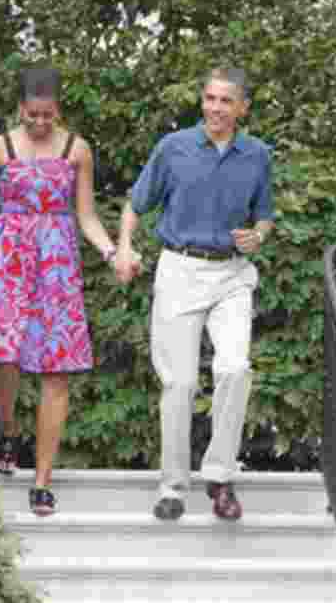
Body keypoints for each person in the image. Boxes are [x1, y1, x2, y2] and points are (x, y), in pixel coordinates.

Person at [0, 66, 124, 516]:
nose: (40, 123)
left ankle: (42, 479)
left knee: (55, 369)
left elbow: (87, 216)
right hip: (5, 259)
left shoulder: (76, 149)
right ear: (20, 108)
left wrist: (110, 251)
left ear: (58, 109)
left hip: (56, 265)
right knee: (3, 355)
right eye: (32, 115)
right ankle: (8, 428)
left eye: (48, 114)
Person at [113, 67, 275, 521]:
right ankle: (172, 487)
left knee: (235, 367)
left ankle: (220, 477)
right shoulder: (174, 148)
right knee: (179, 383)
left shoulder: (258, 155)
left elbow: (264, 216)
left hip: (232, 274)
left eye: (226, 101)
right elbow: (135, 205)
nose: (215, 108)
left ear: (243, 108)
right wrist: (125, 246)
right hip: (179, 270)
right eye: (209, 99)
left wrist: (258, 237)